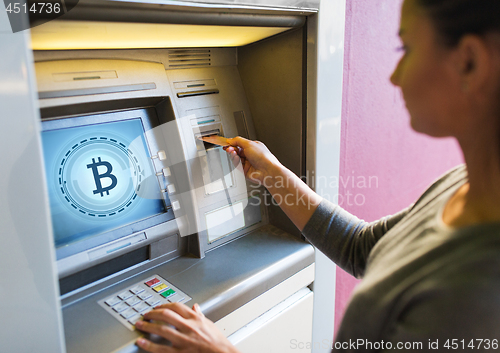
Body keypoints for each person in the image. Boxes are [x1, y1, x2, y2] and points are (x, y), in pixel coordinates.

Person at [135, 0, 500, 351]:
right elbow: (364, 248)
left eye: (406, 48)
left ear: (469, 62)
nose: (395, 75)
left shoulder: (477, 293)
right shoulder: (462, 185)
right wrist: (274, 174)